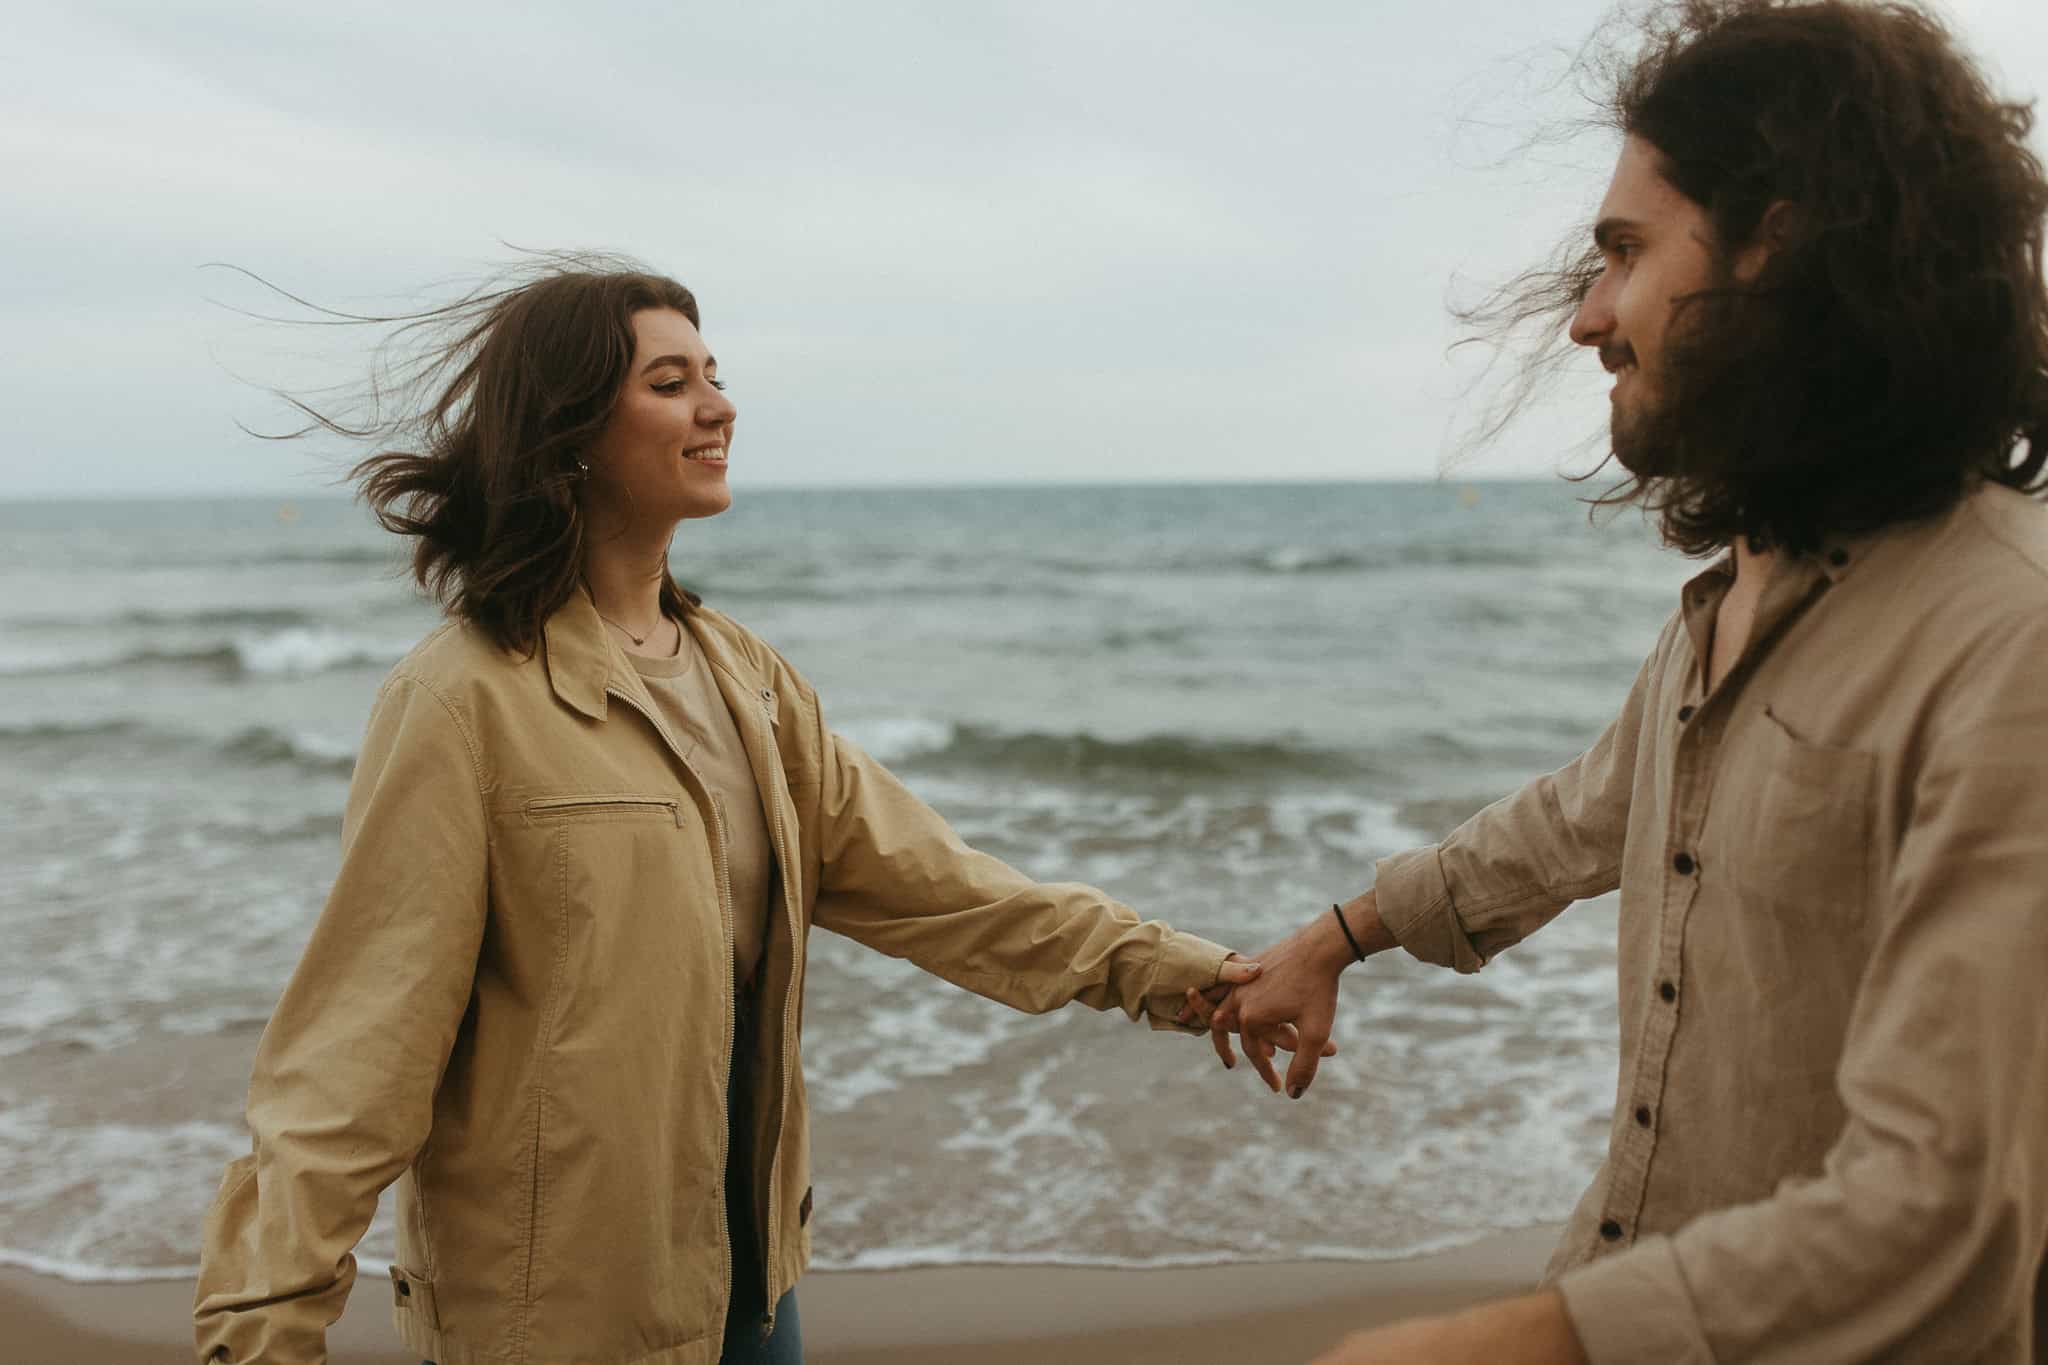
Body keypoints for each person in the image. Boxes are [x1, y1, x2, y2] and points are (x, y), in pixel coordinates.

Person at [190, 260, 1286, 1365]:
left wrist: (1182, 973)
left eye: (711, 375)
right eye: (670, 383)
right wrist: (261, 1330)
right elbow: (356, 1050)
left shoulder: (745, 681)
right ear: (568, 429)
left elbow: (940, 888)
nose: (718, 405)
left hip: (751, 1285)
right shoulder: (464, 700)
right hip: (554, 1315)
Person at [1189, 1, 2048, 1360]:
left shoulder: (2012, 635)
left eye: (1626, 254)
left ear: (1781, 243)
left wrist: (1507, 1344)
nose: (1588, 316)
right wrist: (1335, 936)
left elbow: (1946, 1212)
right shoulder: (1732, 600)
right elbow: (1578, 819)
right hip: (1619, 1260)